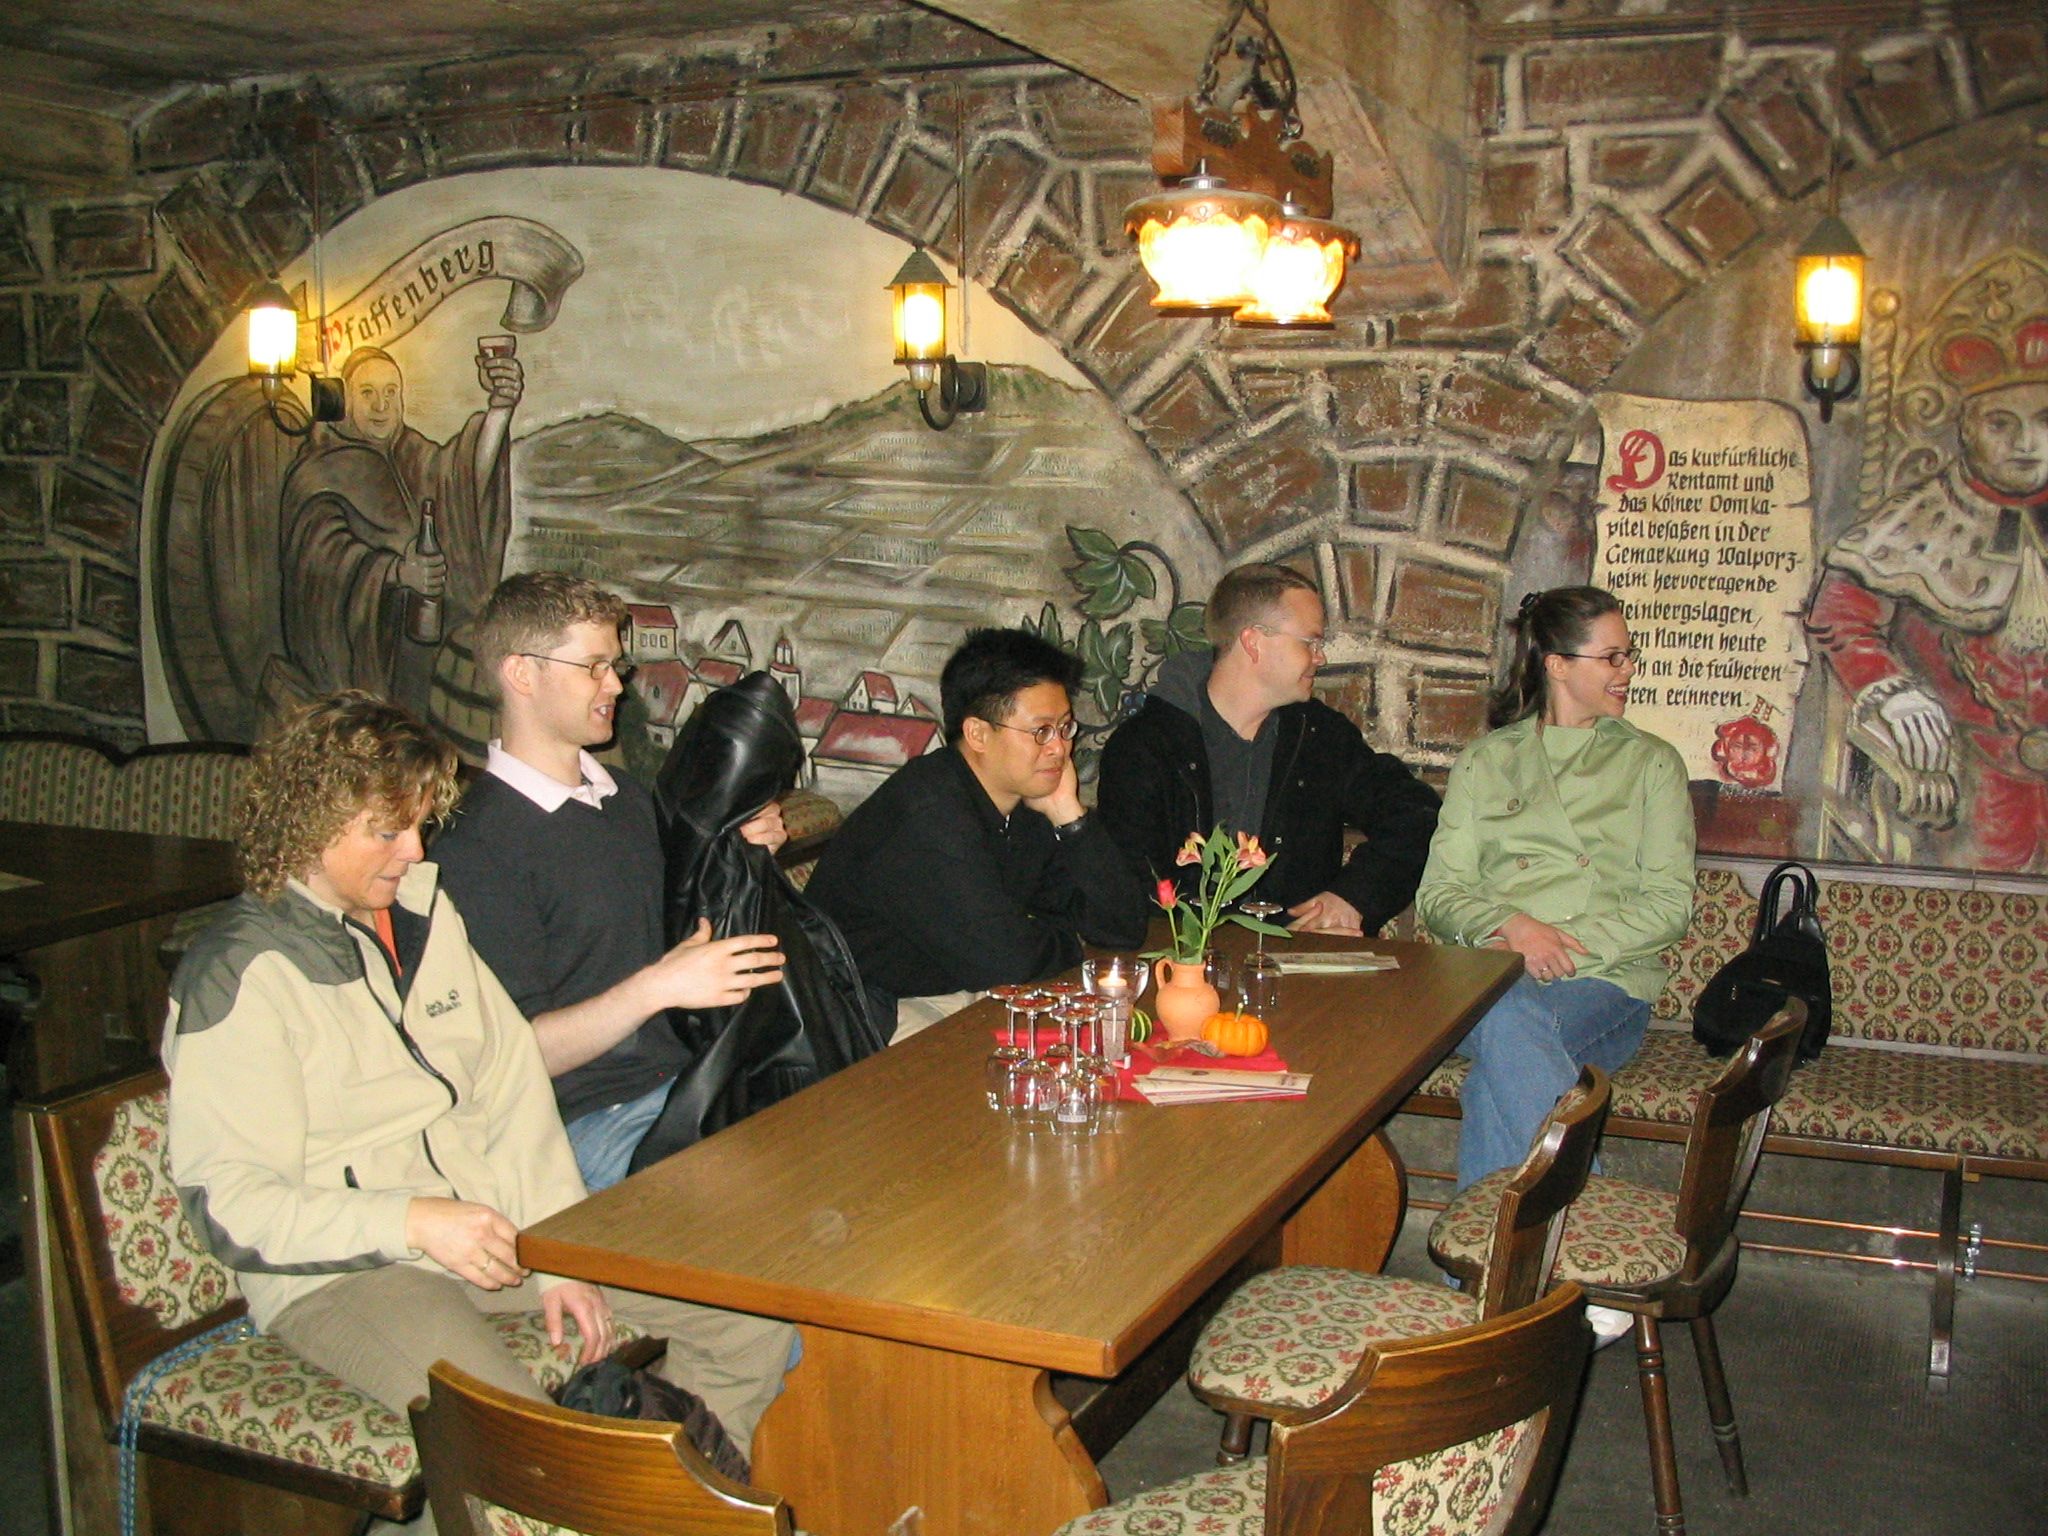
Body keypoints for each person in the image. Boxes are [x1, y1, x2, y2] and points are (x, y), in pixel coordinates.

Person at [161, 692, 795, 1515]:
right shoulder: (242, 974)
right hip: (347, 1273)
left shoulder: (423, 914)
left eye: (420, 825)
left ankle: (685, 1507)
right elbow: (230, 1205)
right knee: (526, 1449)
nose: (415, 850)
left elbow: (510, 1083)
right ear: (309, 823)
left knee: (747, 1316)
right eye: (387, 832)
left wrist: (559, 1253)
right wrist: (412, 1221)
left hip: (485, 1230)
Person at [432, 572, 787, 1191]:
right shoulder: (473, 848)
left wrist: (746, 848)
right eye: (593, 666)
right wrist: (657, 987)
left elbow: (692, 920)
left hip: (696, 1080)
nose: (617, 685)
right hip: (585, 1119)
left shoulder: (625, 798)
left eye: (614, 665)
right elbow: (516, 1055)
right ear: (521, 674)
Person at [1418, 586, 1694, 1199]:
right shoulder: (1487, 761)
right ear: (1558, 665)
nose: (1628, 670)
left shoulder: (1651, 763)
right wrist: (1513, 927)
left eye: (1629, 655)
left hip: (1604, 982)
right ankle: (1586, 1224)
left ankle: (1492, 1255)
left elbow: (1669, 904)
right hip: (1491, 971)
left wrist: (1560, 944)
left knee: (1501, 1054)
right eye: (1612, 657)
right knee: (1507, 1016)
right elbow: (1439, 894)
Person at [806, 627, 1151, 1038]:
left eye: (1065, 728)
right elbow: (1007, 961)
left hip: (952, 992)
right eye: (1041, 731)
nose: (1060, 749)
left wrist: (1070, 816)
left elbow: (1122, 927)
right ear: (978, 734)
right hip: (863, 1016)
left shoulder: (1025, 800)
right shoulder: (927, 813)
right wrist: (1070, 939)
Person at [1806, 319, 2048, 871]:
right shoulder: (1915, 519)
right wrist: (1891, 693)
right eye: (2001, 422)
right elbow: (1839, 616)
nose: (2024, 443)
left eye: (2045, 421)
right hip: (1966, 775)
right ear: (1967, 428)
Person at [1098, 562, 1441, 937]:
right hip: (1181, 960)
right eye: (1310, 642)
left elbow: (1415, 814)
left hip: (1299, 958)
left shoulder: (1320, 736)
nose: (1321, 658)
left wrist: (1353, 898)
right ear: (1253, 641)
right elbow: (1127, 887)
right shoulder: (1146, 746)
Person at [273, 343, 518, 722]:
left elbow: (463, 482)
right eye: (367, 393)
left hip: (426, 652)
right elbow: (320, 561)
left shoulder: (411, 452)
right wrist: (396, 572)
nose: (381, 405)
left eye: (391, 392)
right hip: (368, 654)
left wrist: (500, 409)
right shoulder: (321, 470)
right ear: (344, 400)